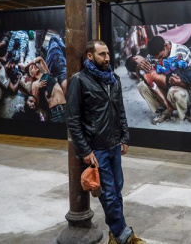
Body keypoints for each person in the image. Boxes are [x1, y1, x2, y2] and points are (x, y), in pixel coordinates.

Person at [66, 40, 146, 244]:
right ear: (90, 56)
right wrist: (85, 150)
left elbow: (120, 110)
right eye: (102, 54)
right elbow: (73, 120)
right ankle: (123, 235)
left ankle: (115, 234)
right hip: (96, 149)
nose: (107, 58)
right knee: (109, 194)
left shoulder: (114, 79)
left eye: (108, 53)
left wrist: (125, 136)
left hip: (114, 145)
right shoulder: (79, 80)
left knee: (117, 190)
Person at [24, 56, 66, 122]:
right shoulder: (35, 84)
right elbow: (36, 104)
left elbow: (40, 59)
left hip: (66, 108)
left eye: (34, 65)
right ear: (31, 75)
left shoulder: (46, 73)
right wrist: (38, 88)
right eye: (31, 68)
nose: (33, 66)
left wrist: (27, 65)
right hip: (55, 113)